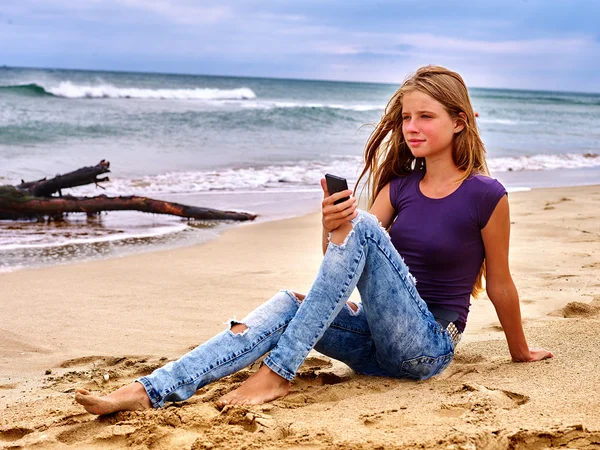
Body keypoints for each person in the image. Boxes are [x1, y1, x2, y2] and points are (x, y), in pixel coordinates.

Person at [75, 65, 553, 415]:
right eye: (406, 117)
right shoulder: (399, 188)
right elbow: (343, 260)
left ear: (459, 122)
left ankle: (277, 373)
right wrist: (330, 227)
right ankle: (152, 390)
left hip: (426, 347)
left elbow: (500, 284)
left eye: (425, 117)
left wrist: (520, 350)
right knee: (290, 301)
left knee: (362, 226)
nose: (411, 127)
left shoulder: (486, 195)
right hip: (375, 347)